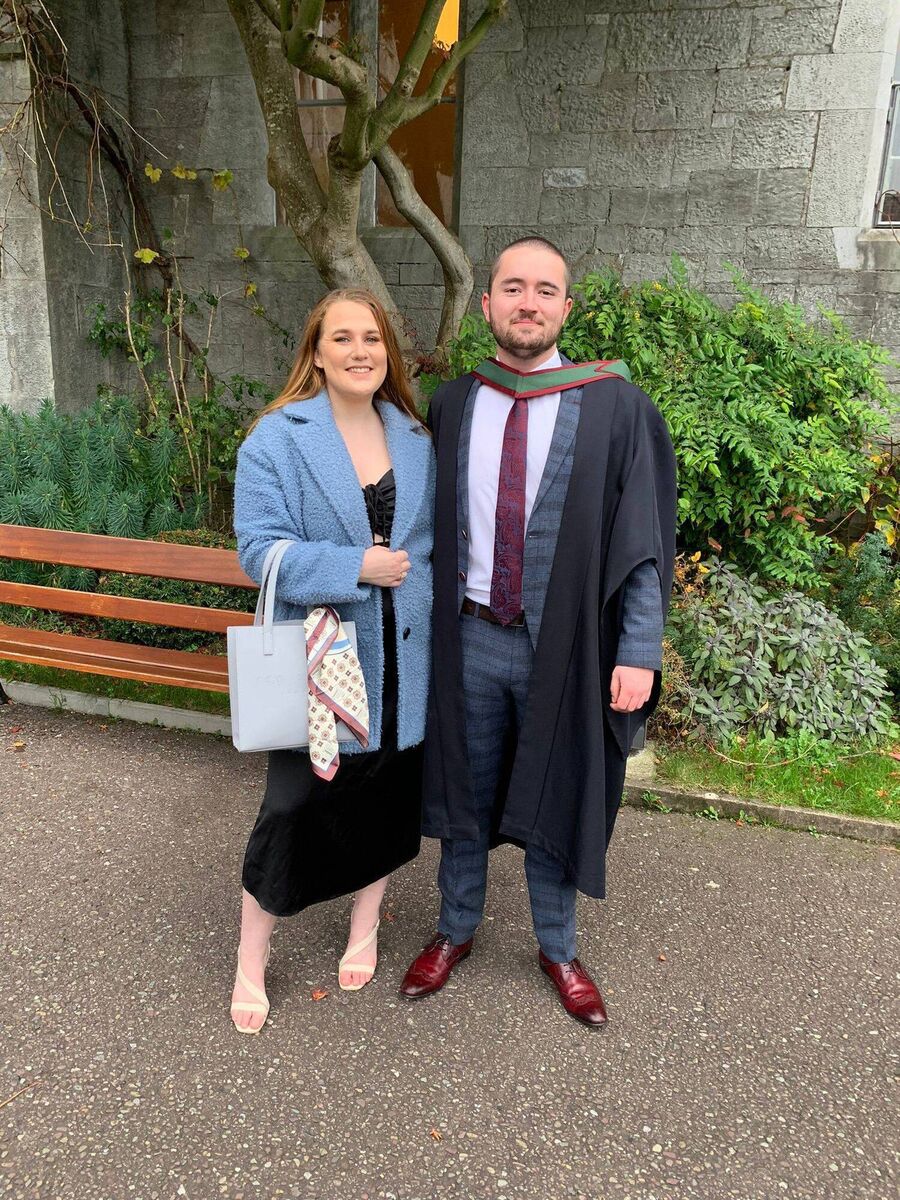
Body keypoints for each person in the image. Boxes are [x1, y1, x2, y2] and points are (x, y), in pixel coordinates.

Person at [400, 237, 676, 1027]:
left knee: (561, 790)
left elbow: (643, 543)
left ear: (566, 308)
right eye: (514, 288)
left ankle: (558, 948)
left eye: (545, 290)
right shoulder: (454, 403)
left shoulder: (616, 409)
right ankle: (455, 928)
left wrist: (638, 651)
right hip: (468, 640)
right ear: (487, 304)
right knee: (462, 791)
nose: (529, 302)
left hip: (567, 649)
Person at [230, 288, 434, 1033]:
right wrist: (355, 567)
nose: (359, 351)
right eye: (342, 337)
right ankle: (251, 959)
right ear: (315, 352)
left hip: (404, 660)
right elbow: (258, 551)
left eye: (372, 338)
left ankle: (365, 925)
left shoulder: (415, 437)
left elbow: (429, 549)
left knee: (384, 803)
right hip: (320, 666)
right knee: (291, 810)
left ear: (388, 352)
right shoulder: (278, 437)